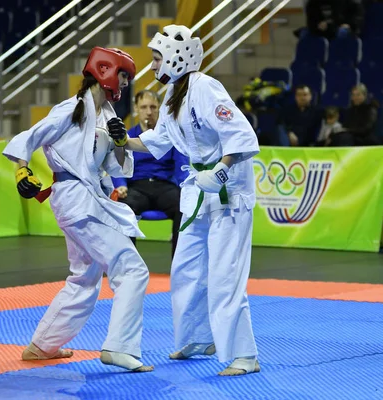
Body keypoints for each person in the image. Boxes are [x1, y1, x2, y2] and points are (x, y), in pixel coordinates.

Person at [111, 25, 261, 376]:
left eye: (157, 58)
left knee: (225, 273)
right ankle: (197, 338)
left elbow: (242, 136)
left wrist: (222, 172)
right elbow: (156, 143)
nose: (153, 65)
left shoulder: (206, 88)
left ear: (179, 58)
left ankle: (245, 355)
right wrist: (120, 139)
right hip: (197, 187)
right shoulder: (172, 97)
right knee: (186, 267)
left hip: (227, 187)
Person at [2, 47, 153, 373]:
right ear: (106, 71)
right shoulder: (70, 109)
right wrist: (21, 170)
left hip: (89, 200)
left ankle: (43, 345)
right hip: (75, 199)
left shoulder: (109, 116)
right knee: (132, 269)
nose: (125, 84)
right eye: (123, 76)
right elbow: (29, 137)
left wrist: (121, 142)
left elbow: (120, 167)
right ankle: (119, 347)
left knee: (84, 278)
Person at [111, 90, 188, 257]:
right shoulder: (127, 136)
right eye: (144, 107)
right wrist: (121, 186)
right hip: (137, 187)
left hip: (165, 187)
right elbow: (117, 165)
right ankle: (128, 264)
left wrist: (186, 188)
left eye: (153, 107)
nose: (149, 112)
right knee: (124, 208)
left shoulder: (170, 136)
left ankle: (179, 263)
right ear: (136, 109)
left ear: (160, 109)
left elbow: (182, 166)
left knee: (185, 205)